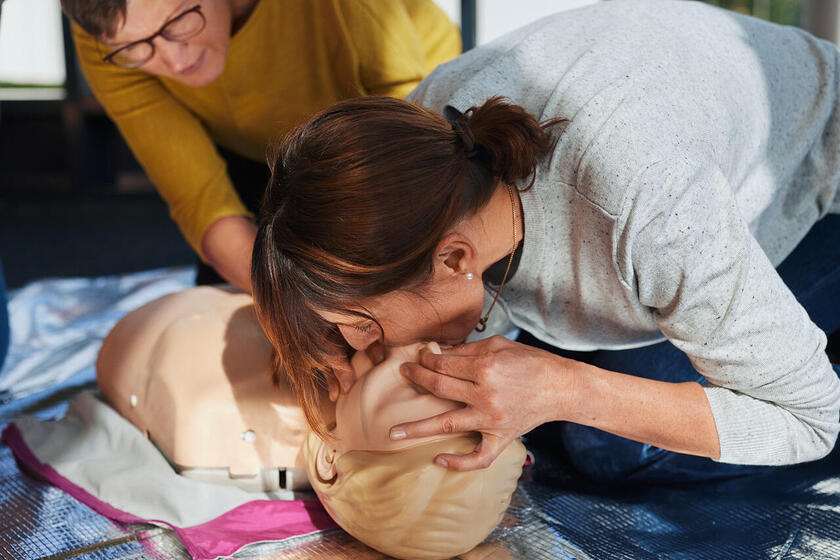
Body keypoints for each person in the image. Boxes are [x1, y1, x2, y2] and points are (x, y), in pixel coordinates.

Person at [250, 0, 840, 482]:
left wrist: (566, 388)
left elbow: (810, 419)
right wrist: (316, 337)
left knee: (608, 448)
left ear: (453, 258)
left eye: (362, 327)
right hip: (678, 148)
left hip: (815, 185)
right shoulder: (417, 149)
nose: (365, 351)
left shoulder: (646, 201)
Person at [96, 286, 525, 559]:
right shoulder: (364, 347)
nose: (432, 351)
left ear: (327, 461)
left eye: (415, 391)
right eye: (460, 387)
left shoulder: (210, 409)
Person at [61, 0, 461, 291]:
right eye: (137, 47)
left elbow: (409, 152)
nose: (175, 61)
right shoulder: (109, 39)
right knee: (244, 301)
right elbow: (201, 201)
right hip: (263, 148)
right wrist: (291, 300)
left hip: (416, 120)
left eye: (178, 21)